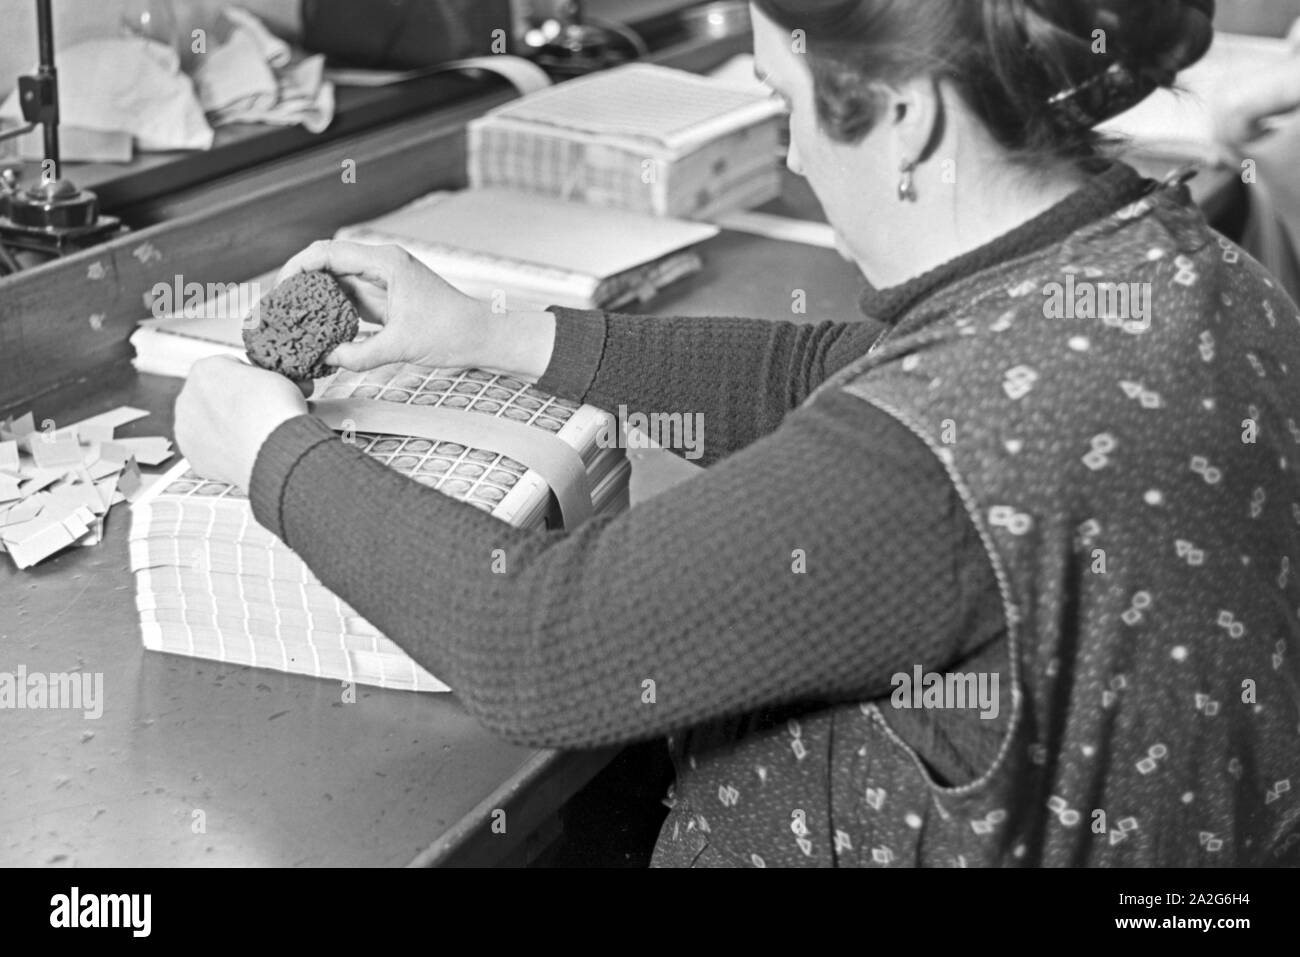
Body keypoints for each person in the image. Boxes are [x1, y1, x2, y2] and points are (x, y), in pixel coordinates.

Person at [175, 0, 1300, 867]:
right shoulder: (1174, 270)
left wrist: (274, 453)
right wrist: (486, 330)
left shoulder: (948, 450)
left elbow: (543, 646)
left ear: (903, 116)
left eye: (786, 102)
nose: (798, 158)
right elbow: (821, 371)